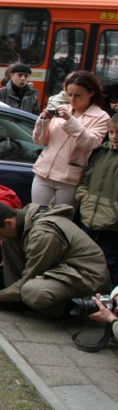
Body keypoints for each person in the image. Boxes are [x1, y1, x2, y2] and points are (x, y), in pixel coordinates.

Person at [0, 202, 111, 318]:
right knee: (8, 242)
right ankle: (15, 298)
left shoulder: (42, 235)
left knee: (31, 292)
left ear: (8, 222)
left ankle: (77, 308)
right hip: (67, 268)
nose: (0, 238)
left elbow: (30, 277)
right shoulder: (24, 220)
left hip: (88, 277)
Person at [31, 70, 109, 208]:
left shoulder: (101, 117)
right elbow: (40, 141)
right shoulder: (61, 108)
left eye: (78, 95)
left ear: (91, 93)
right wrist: (43, 120)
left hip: (69, 178)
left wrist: (70, 120)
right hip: (43, 172)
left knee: (61, 220)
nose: (72, 99)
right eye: (69, 94)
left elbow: (90, 143)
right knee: (36, 214)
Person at [76, 114, 118, 285]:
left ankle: (109, 299)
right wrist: (84, 197)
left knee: (110, 260)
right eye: (112, 132)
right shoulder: (102, 153)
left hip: (113, 223)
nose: (114, 136)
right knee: (82, 256)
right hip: (90, 214)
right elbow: (87, 179)